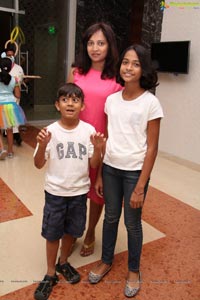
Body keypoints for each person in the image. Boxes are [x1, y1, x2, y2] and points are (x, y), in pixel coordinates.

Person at [88, 44, 164, 298]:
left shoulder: (150, 103)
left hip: (134, 173)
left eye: (135, 63)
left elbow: (152, 148)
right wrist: (99, 173)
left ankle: (134, 270)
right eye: (125, 62)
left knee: (132, 224)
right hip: (110, 169)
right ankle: (106, 260)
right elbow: (107, 137)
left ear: (144, 69)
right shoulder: (112, 100)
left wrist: (141, 185)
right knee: (110, 218)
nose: (128, 67)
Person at [33, 83, 106, 300]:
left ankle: (63, 262)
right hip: (55, 193)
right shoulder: (49, 132)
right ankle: (49, 273)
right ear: (57, 105)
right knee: (52, 232)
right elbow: (38, 164)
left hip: (78, 193)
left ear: (82, 105)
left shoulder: (88, 131)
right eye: (65, 99)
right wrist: (43, 145)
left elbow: (93, 164)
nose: (70, 103)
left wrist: (99, 149)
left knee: (72, 231)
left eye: (75, 99)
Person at [67, 22, 122, 256]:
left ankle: (90, 232)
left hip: (101, 142)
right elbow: (68, 103)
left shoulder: (117, 79)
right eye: (91, 43)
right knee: (74, 190)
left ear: (109, 46)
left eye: (101, 43)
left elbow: (117, 117)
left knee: (97, 193)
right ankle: (72, 233)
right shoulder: (77, 72)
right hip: (76, 142)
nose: (95, 48)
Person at [0, 57, 26, 159]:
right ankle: (10, 152)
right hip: (10, 106)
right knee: (9, 129)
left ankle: (2, 149)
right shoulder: (14, 79)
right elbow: (18, 95)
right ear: (11, 67)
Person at [3, 43, 25, 146]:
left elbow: (20, 80)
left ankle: (16, 137)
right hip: (5, 99)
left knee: (12, 121)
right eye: (8, 55)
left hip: (13, 99)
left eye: (11, 55)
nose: (10, 57)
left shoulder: (19, 68)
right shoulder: (1, 67)